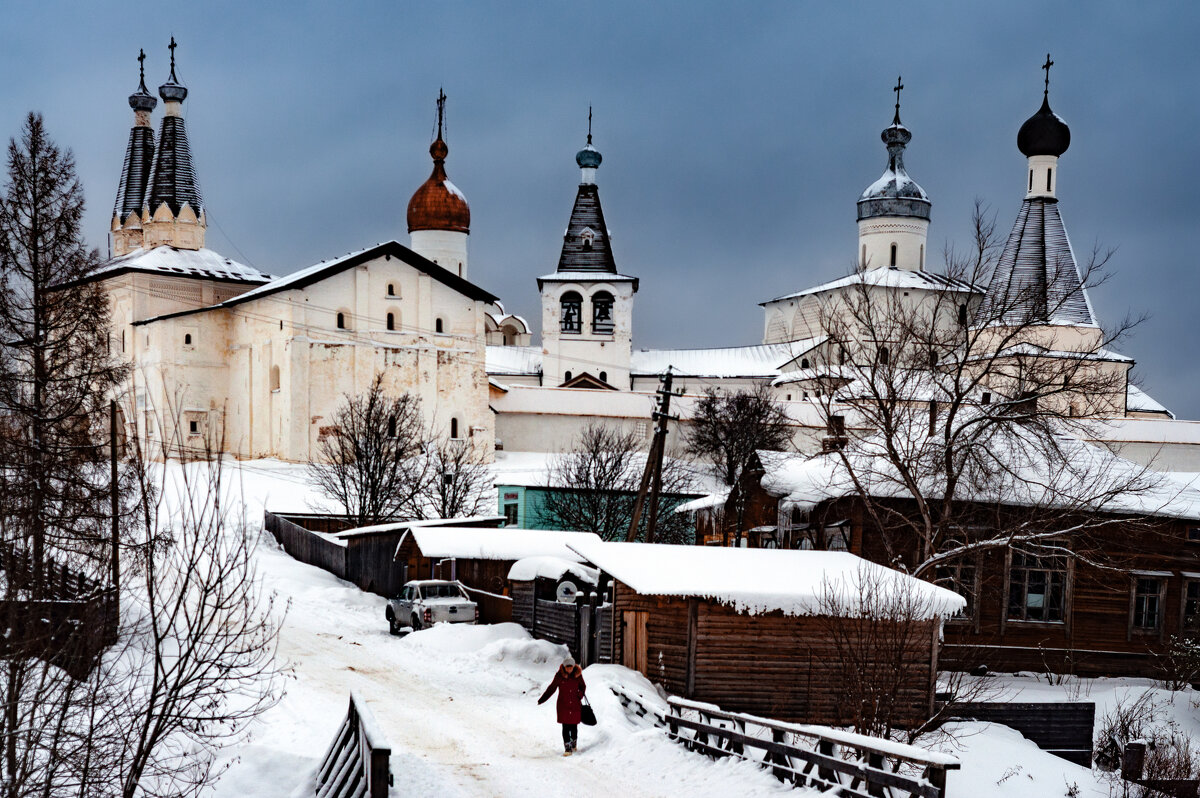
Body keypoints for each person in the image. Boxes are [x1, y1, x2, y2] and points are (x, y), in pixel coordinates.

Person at [537, 655, 586, 755]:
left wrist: (579, 695)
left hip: (575, 704)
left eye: (570, 667)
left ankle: (574, 743)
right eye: (567, 667)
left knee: (573, 726)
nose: (569, 669)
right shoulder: (559, 676)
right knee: (565, 727)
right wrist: (542, 699)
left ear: (573, 666)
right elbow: (552, 688)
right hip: (563, 705)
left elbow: (583, 687)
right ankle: (567, 748)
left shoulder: (578, 675)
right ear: (564, 667)